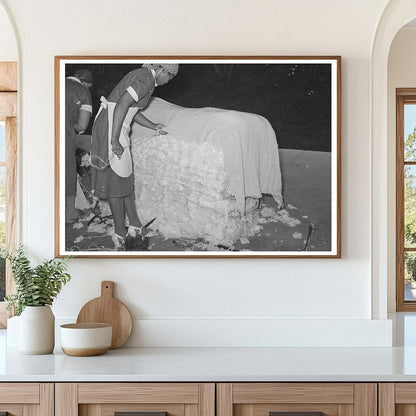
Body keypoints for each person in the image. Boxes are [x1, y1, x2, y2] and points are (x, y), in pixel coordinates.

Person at [90, 63, 179, 250]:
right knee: (116, 181)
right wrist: (114, 139)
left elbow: (131, 110)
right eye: (170, 76)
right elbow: (122, 104)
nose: (169, 81)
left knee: (125, 177)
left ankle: (135, 224)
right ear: (162, 69)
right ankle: (120, 233)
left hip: (117, 125)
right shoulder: (145, 78)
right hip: (111, 128)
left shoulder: (145, 77)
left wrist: (153, 125)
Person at [65, 69, 93, 223]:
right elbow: (82, 125)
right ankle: (69, 214)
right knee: (68, 170)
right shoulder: (83, 92)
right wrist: (72, 126)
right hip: (64, 135)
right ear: (86, 83)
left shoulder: (56, 80)